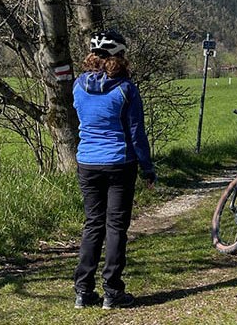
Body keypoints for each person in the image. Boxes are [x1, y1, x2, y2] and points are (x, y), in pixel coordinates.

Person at [72, 29, 157, 309]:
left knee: (93, 224)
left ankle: (83, 291)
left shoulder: (78, 85)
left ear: (93, 56)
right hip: (119, 162)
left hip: (87, 162)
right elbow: (136, 134)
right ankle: (112, 291)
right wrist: (147, 169)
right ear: (119, 56)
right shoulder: (126, 89)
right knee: (116, 227)